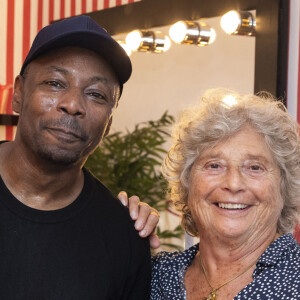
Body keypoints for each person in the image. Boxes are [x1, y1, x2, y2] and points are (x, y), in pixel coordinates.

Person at [0, 15, 159, 299]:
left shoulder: (123, 236)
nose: (73, 105)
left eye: (96, 94)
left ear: (109, 122)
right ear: (19, 94)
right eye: (55, 83)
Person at [148, 89, 300, 299]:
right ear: (187, 182)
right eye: (214, 165)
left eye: (255, 167)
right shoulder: (156, 277)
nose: (234, 183)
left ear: (285, 187)